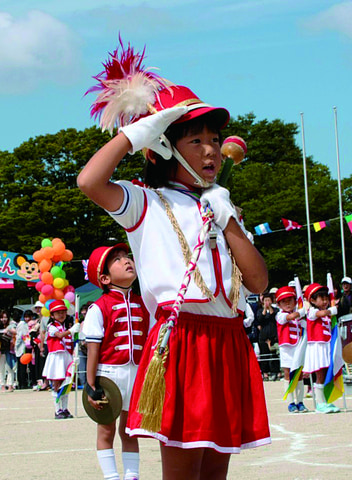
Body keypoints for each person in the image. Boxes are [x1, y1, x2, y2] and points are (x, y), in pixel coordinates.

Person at [78, 59, 270, 478]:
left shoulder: (220, 203)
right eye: (196, 140)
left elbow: (257, 280)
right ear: (163, 146)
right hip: (184, 337)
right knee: (183, 471)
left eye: (215, 139)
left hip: (229, 340)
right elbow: (89, 182)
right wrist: (133, 135)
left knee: (215, 471)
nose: (211, 150)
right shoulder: (145, 202)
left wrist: (229, 217)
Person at [82, 244, 151, 480]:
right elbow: (93, 350)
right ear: (105, 277)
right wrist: (90, 385)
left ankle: (132, 476)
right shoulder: (98, 307)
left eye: (126, 256)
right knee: (106, 427)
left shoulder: (144, 304)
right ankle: (111, 477)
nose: (126, 260)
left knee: (131, 430)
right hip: (109, 374)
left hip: (137, 374)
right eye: (117, 260)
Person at [302, 283, 340, 414]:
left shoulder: (327, 315)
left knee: (325, 373)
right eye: (321, 298)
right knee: (320, 374)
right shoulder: (312, 311)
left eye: (326, 298)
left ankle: (325, 400)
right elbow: (321, 313)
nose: (325, 301)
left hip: (326, 345)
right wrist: (332, 310)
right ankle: (319, 403)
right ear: (312, 300)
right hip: (317, 346)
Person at [274, 287, 308, 413]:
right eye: (284, 301)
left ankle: (300, 402)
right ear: (278, 304)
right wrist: (300, 312)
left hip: (298, 348)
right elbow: (287, 318)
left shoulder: (299, 315)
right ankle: (291, 402)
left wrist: (304, 317)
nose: (287, 303)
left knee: (299, 374)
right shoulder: (280, 315)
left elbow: (305, 327)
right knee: (288, 374)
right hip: (287, 349)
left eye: (290, 300)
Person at [41, 300, 74, 419]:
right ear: (52, 315)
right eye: (58, 312)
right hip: (56, 358)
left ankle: (64, 408)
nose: (61, 315)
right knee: (56, 383)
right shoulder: (51, 326)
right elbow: (59, 336)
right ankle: (57, 409)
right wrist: (71, 330)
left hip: (66, 356)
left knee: (67, 383)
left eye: (63, 312)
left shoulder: (65, 326)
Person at [254, 293, 280, 381]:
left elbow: (274, 316)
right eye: (265, 300)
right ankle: (264, 372)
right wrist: (265, 309)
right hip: (263, 335)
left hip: (273, 335)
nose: (267, 302)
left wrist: (270, 308)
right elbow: (260, 319)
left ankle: (275, 371)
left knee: (274, 354)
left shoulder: (276, 310)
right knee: (264, 354)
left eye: (268, 300)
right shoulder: (259, 311)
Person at [0, 310, 16, 392]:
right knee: (1, 369)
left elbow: (15, 334)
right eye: (2, 317)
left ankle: (10, 385)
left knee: (10, 368)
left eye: (5, 317)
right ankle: (2, 385)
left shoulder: (11, 326)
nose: (4, 319)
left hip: (9, 350)